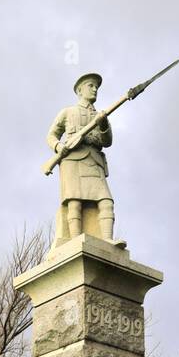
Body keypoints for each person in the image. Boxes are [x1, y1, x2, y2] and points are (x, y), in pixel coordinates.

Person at [46, 71, 124, 247]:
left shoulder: (100, 115)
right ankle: (75, 242)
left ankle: (107, 240)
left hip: (94, 160)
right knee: (75, 203)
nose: (95, 89)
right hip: (72, 161)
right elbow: (51, 135)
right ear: (80, 90)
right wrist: (59, 146)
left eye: (96, 86)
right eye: (91, 86)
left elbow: (107, 141)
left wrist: (103, 124)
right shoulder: (67, 112)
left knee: (106, 201)